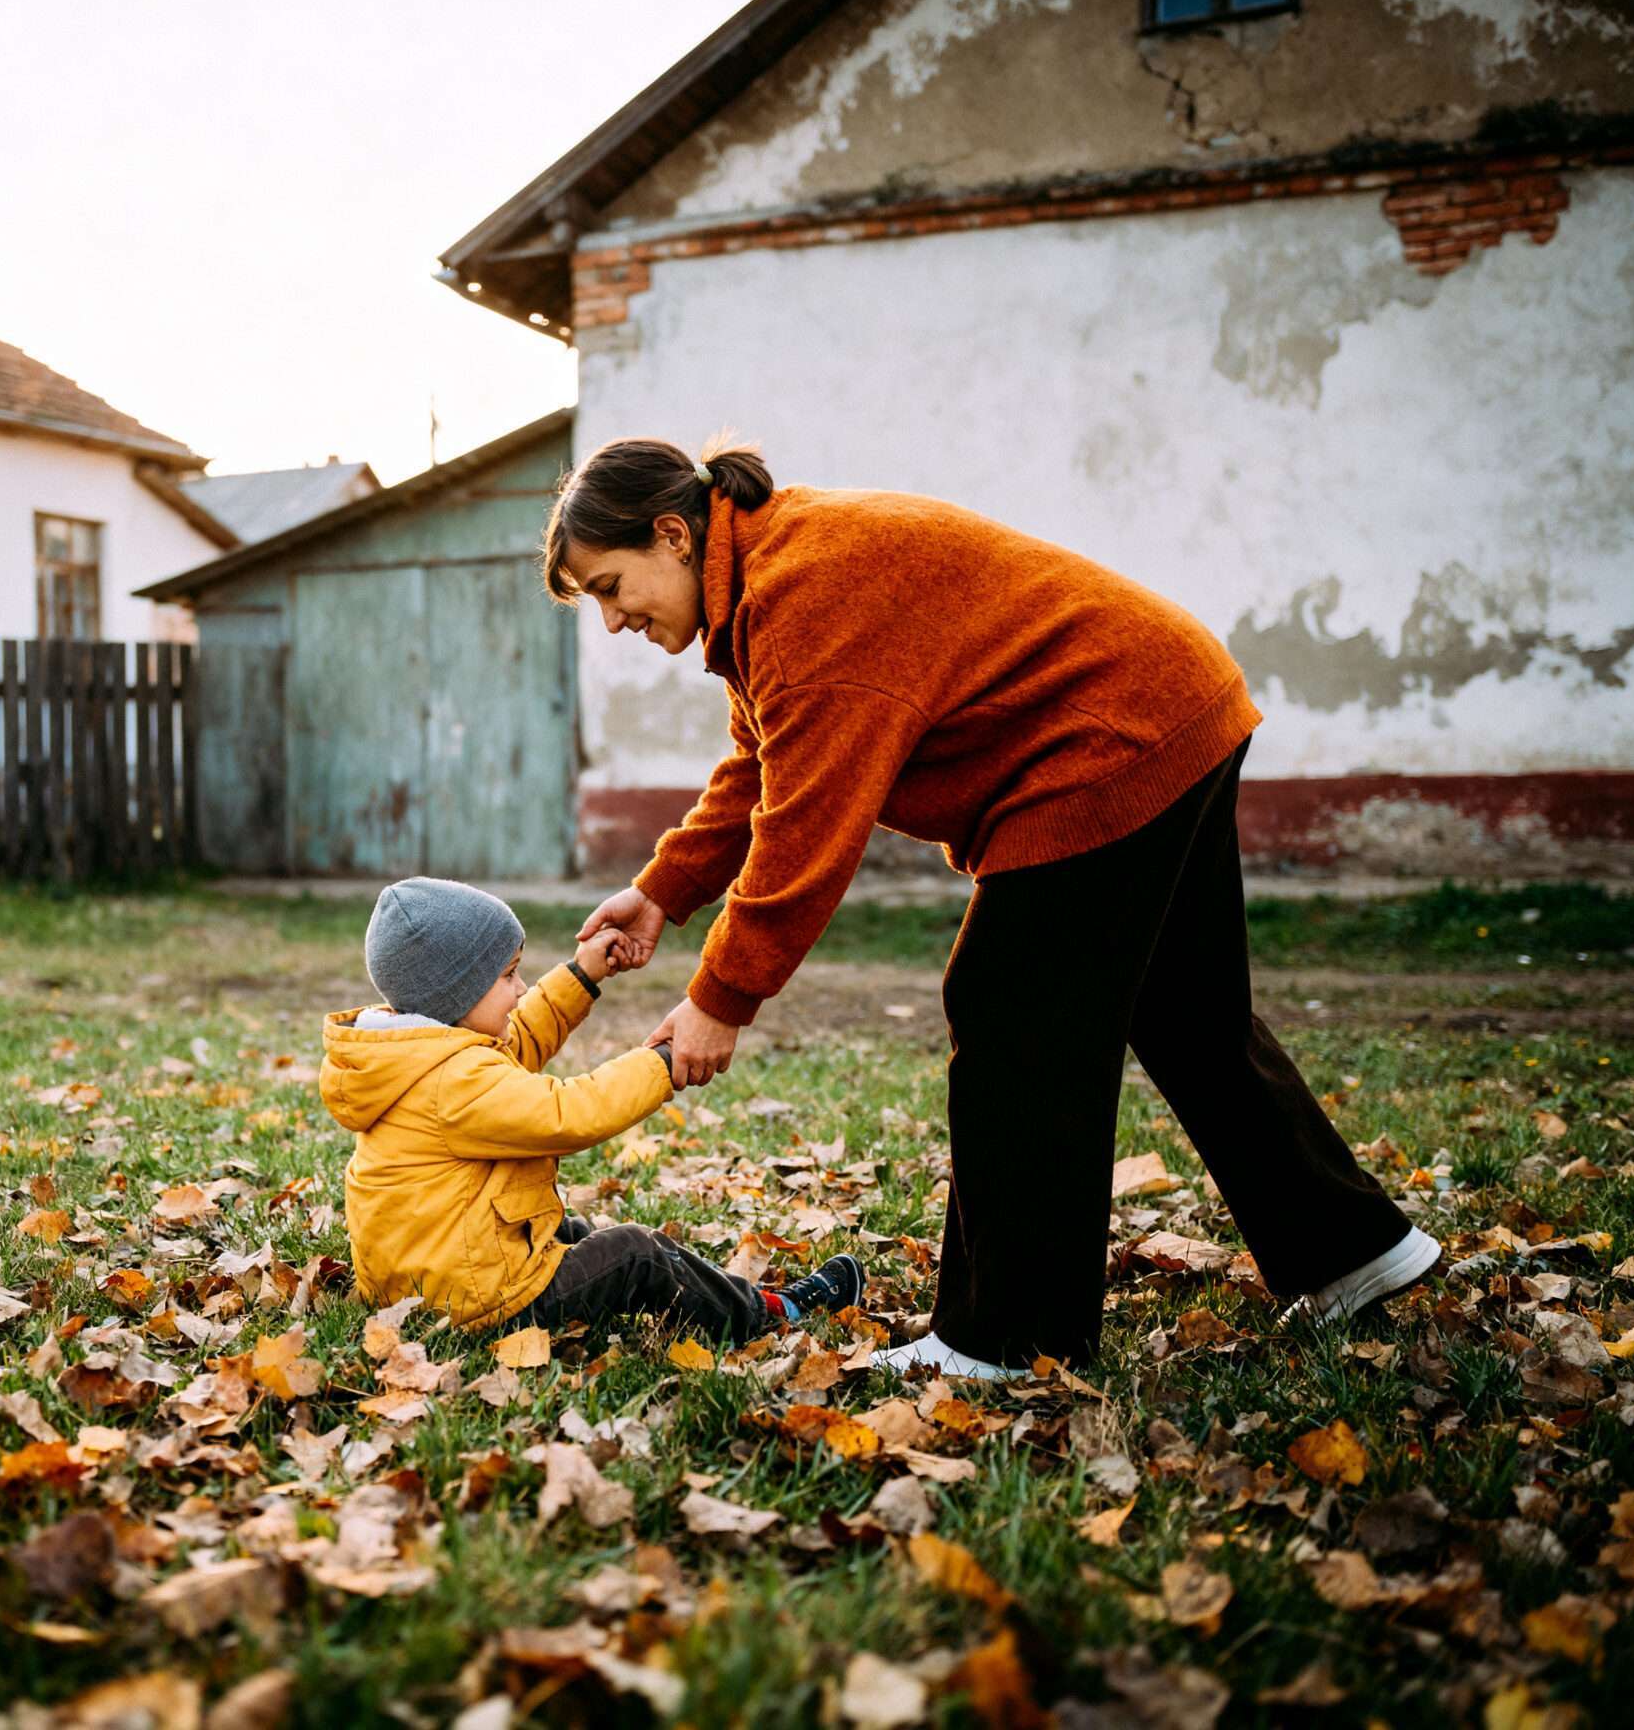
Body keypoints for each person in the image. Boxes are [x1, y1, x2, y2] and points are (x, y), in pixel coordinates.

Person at [552, 438, 1438, 1379]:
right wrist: (660, 892)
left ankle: (1008, 1338)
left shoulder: (801, 591)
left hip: (1104, 738)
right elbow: (762, 764)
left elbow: (808, 823)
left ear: (673, 535)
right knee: (1185, 1013)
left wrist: (722, 995)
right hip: (1172, 705)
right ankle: (1357, 1253)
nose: (612, 621)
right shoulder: (767, 579)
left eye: (611, 587)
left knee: (1010, 1009)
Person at [326, 876, 865, 1342]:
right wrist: (663, 1061)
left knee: (573, 1232)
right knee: (635, 1254)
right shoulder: (453, 1082)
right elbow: (572, 1112)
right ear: (455, 993)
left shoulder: (416, 1053)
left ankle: (727, 1296)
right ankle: (770, 1313)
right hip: (481, 1303)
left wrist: (581, 975)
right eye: (508, 975)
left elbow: (519, 1040)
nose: (518, 991)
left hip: (430, 1279)